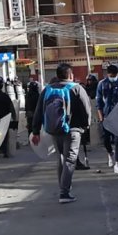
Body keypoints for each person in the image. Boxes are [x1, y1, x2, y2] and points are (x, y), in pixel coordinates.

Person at [31, 64, 91, 203]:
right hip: (73, 129)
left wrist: (35, 131)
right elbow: (86, 109)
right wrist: (86, 126)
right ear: (70, 75)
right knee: (70, 160)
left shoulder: (47, 89)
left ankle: (63, 188)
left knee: (61, 158)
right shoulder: (76, 88)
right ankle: (64, 193)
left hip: (54, 130)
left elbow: (38, 111)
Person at [96, 65, 118, 174]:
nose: (113, 77)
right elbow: (99, 101)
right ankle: (110, 153)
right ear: (107, 74)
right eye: (111, 75)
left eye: (114, 75)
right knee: (106, 140)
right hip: (106, 115)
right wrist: (101, 117)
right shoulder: (102, 84)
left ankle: (117, 164)